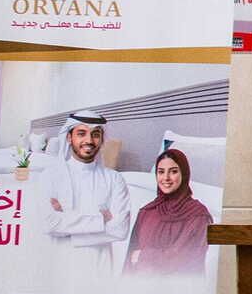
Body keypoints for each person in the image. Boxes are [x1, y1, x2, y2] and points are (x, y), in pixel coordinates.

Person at [31, 108, 143, 284]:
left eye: (95, 134)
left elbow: (120, 230)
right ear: (69, 137)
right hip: (58, 267)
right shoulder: (50, 176)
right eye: (81, 133)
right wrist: (101, 219)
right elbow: (49, 224)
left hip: (98, 269)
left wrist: (67, 224)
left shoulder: (114, 179)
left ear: (102, 139)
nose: (89, 140)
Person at [123, 145, 212, 277]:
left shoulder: (198, 215)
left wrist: (143, 256)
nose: (166, 178)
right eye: (161, 172)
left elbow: (185, 258)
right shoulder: (146, 212)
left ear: (184, 174)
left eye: (173, 171)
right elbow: (129, 265)